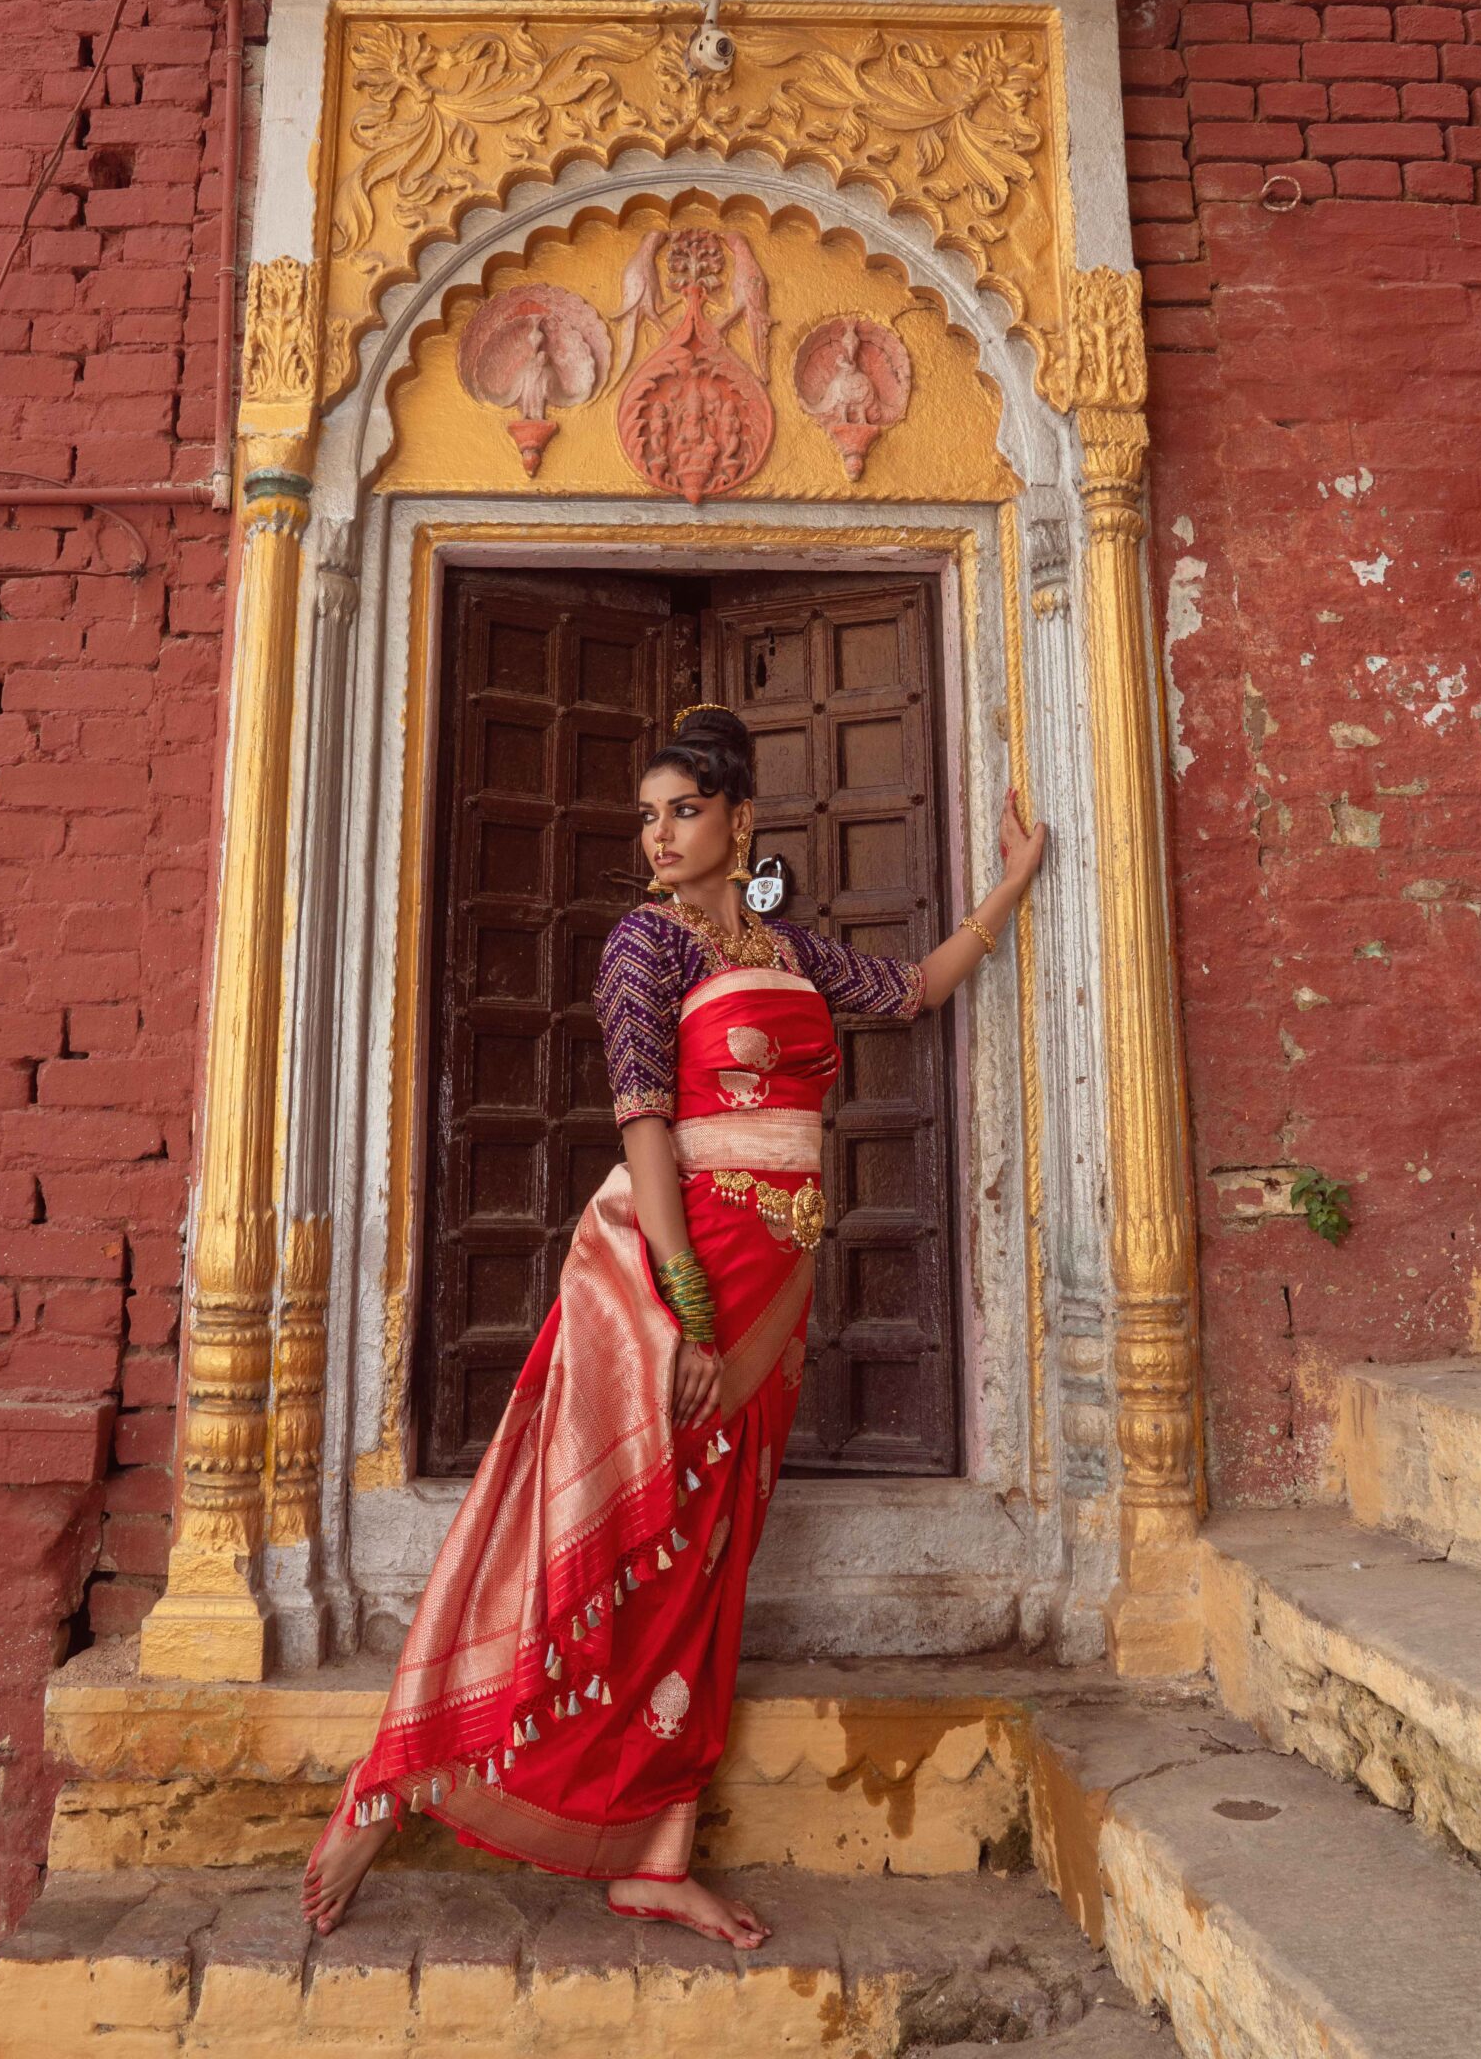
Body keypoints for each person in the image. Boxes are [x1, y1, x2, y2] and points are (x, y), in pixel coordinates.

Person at [302, 703, 1046, 1947]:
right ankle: (387, 1788)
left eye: (681, 811)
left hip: (779, 1288)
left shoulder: (788, 949)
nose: (657, 835)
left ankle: (655, 1851)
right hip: (676, 1283)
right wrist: (685, 1309)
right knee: (581, 1542)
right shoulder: (643, 949)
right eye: (646, 817)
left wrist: (1010, 886)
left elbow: (912, 989)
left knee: (699, 1570)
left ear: (738, 818)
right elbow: (645, 1121)